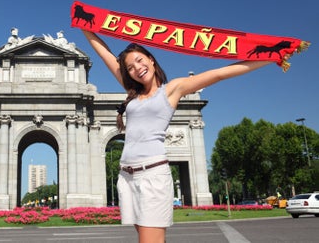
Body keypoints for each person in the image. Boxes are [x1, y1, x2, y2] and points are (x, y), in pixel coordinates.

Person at [80, 29, 276, 243]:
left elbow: (220, 73)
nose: (137, 68)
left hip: (152, 175)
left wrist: (272, 56)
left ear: (151, 60)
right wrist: (84, 26)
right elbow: (104, 53)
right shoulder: (132, 92)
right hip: (126, 178)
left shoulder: (171, 90)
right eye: (130, 67)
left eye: (140, 60)